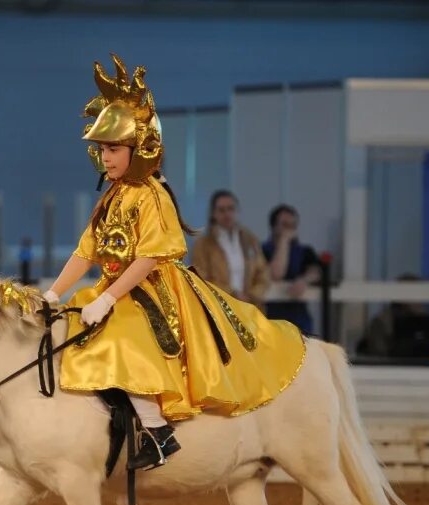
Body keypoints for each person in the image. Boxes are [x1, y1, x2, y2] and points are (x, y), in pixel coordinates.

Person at [44, 54, 305, 471]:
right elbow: (85, 251)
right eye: (102, 150)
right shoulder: (110, 197)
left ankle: (157, 431)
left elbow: (150, 255)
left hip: (151, 288)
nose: (105, 158)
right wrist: (53, 292)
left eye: (113, 149)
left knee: (126, 336)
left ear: (137, 149)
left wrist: (109, 298)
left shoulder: (151, 195)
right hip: (114, 287)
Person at [189, 190, 270, 311]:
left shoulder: (250, 240)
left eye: (231, 209)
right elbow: (201, 278)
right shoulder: (203, 245)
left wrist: (251, 295)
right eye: (221, 210)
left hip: (250, 307)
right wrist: (232, 294)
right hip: (220, 307)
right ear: (213, 214)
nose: (227, 214)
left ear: (237, 211)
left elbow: (263, 273)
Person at [261, 204, 322, 335]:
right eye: (284, 224)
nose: (289, 229)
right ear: (273, 226)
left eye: (292, 225)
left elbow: (316, 271)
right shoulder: (262, 250)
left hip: (299, 318)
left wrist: (304, 280)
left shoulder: (306, 251)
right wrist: (284, 241)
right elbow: (276, 274)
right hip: (272, 318)